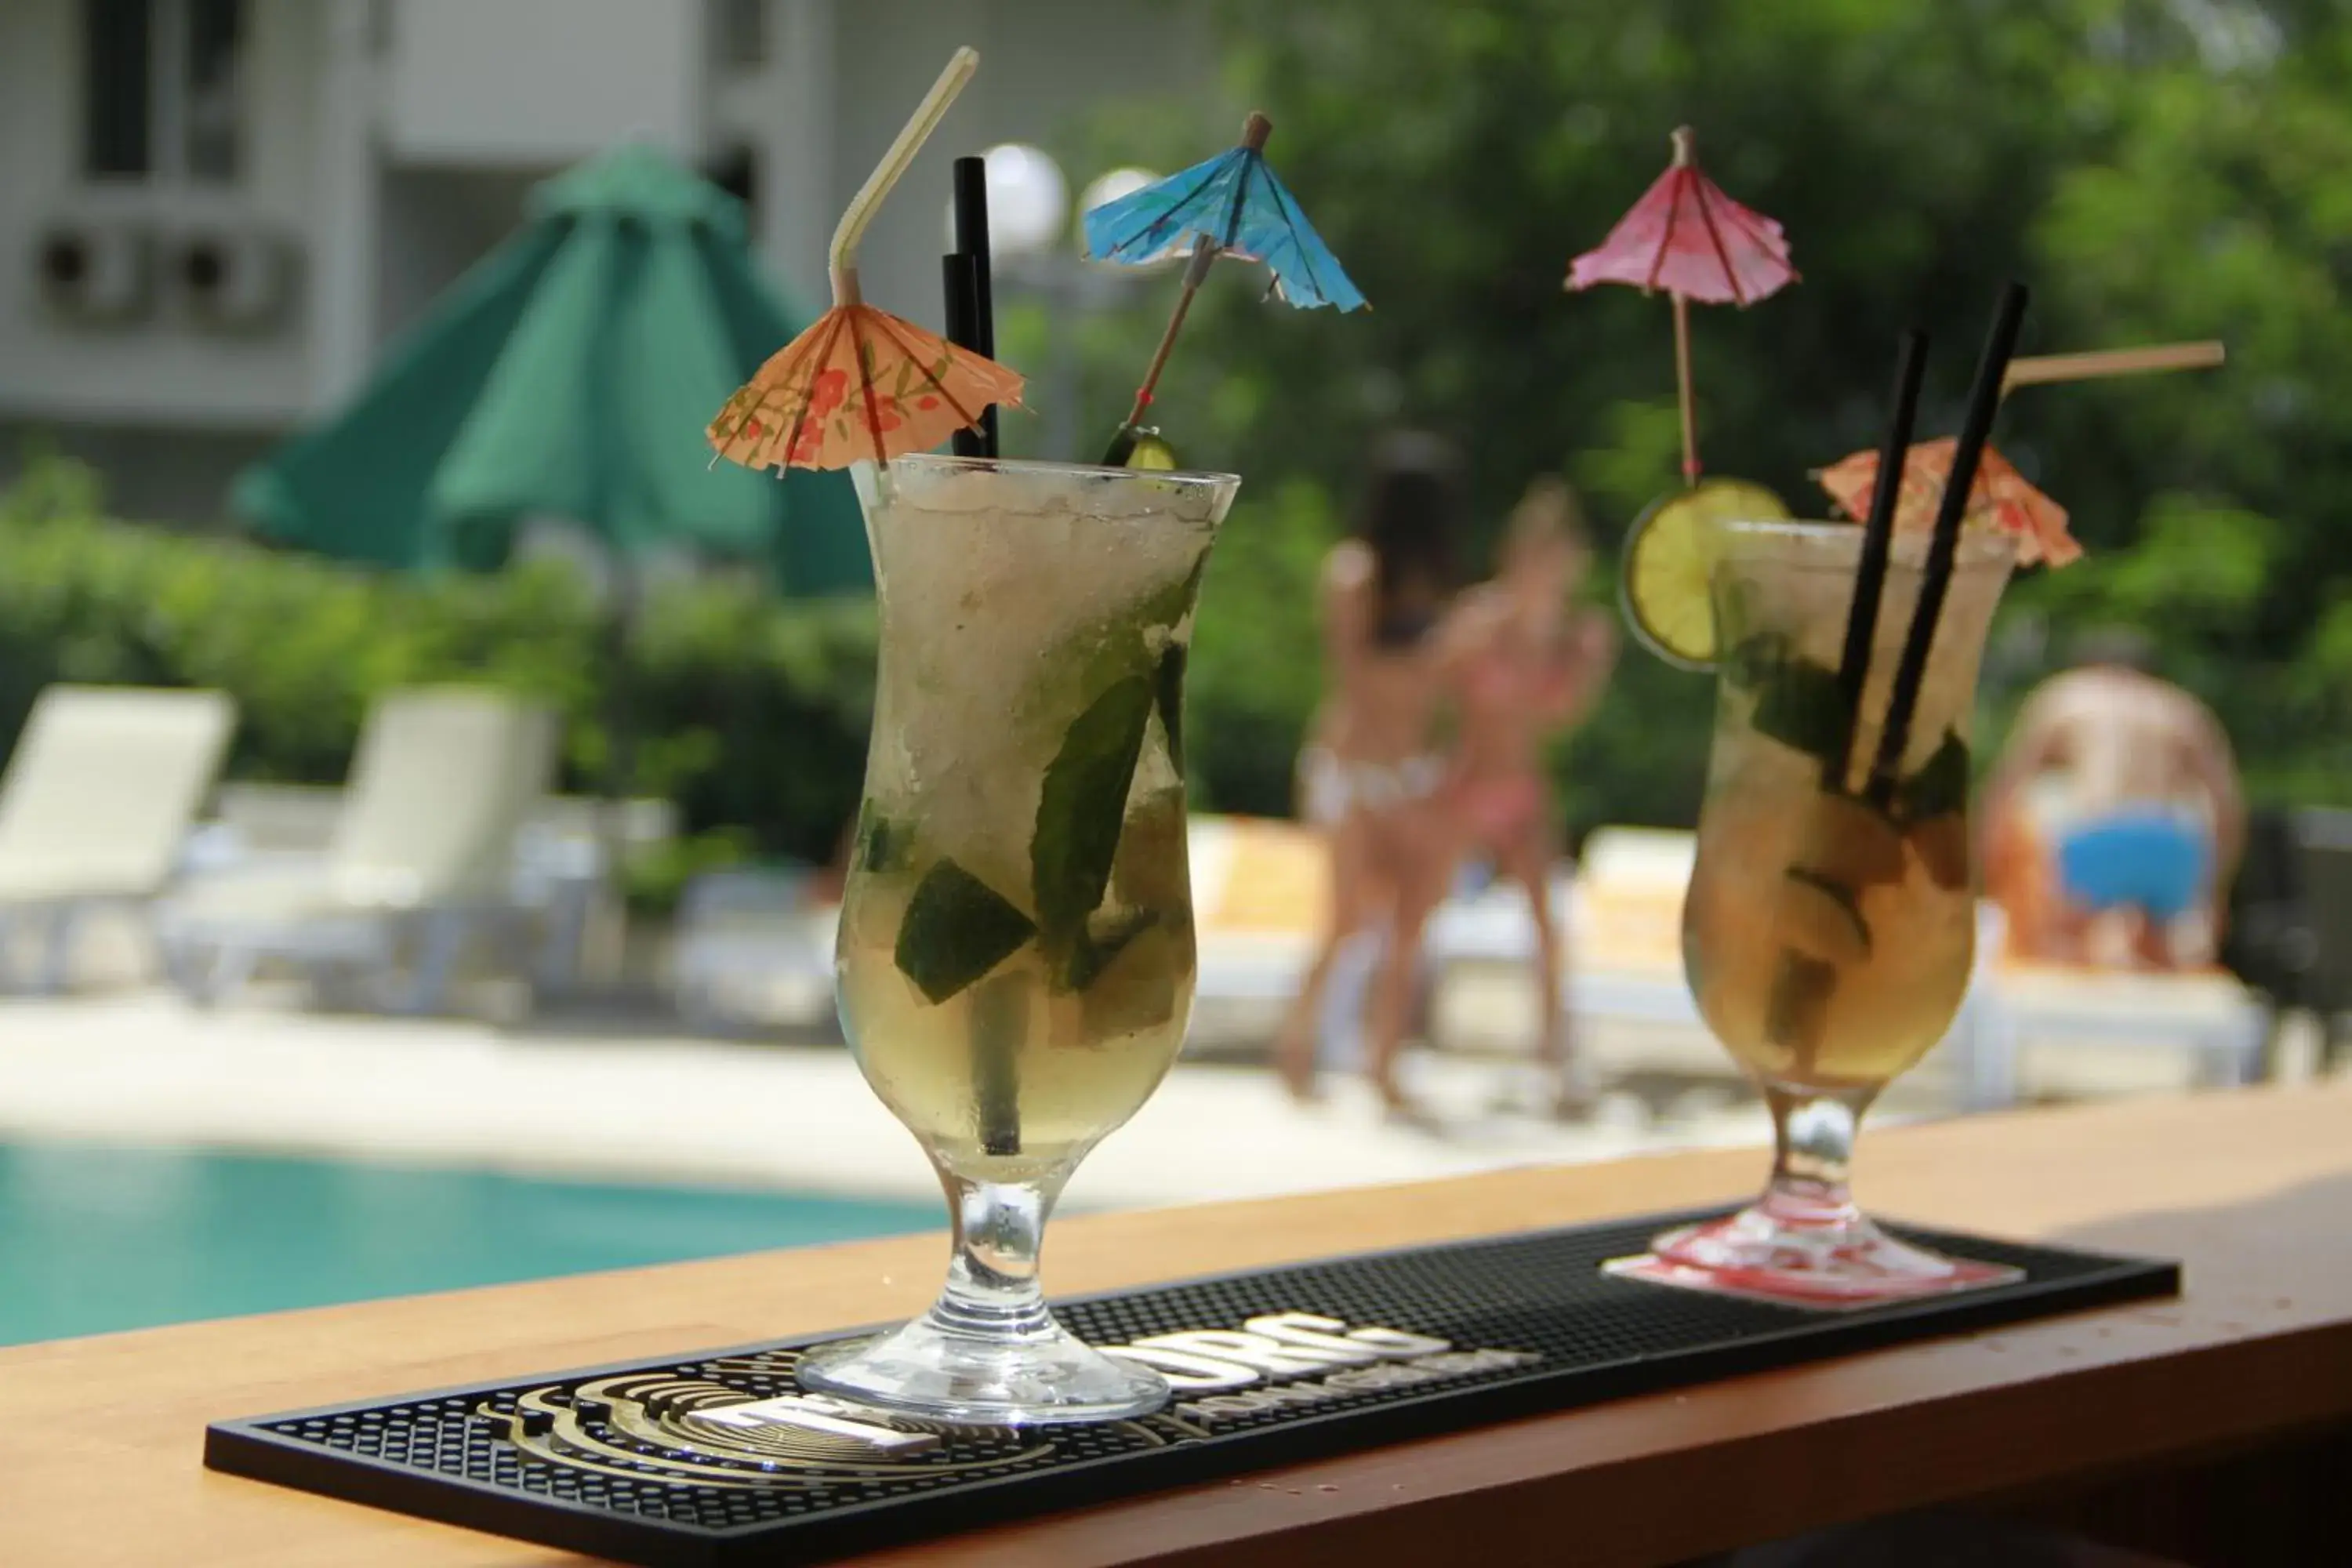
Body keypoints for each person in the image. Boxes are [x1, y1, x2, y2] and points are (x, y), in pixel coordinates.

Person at [1274, 432, 1465, 1116]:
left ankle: (1383, 1061)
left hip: (1411, 769)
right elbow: (1352, 678)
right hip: (1355, 767)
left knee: (1410, 921)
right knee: (1347, 918)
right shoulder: (1356, 573)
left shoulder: (1432, 584)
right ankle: (1298, 1048)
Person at [1436, 477, 1617, 1116]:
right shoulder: (1482, 617)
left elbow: (1561, 717)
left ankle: (1553, 1054)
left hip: (1522, 786)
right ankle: (1375, 1042)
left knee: (1548, 924)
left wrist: (1586, 665)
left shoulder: (1570, 635)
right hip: (1464, 780)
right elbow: (1429, 689)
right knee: (1407, 914)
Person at [1982, 628, 2245, 971]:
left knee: (2063, 945)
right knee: (2160, 950)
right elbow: (2227, 803)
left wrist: (1987, 867)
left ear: (2089, 665)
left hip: (2101, 833)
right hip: (2171, 845)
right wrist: (2214, 886)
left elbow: (2009, 785)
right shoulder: (2181, 707)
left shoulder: (2067, 695)